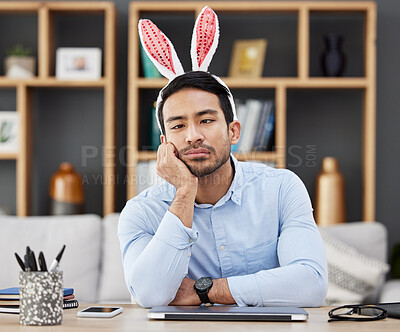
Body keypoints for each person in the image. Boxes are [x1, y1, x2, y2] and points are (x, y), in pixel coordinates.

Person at [118, 7, 328, 308]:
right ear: (164, 144)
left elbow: (311, 285)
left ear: (233, 131)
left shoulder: (282, 189)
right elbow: (150, 296)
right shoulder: (141, 212)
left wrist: (205, 291)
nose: (192, 135)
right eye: (178, 125)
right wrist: (184, 193)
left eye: (206, 120)